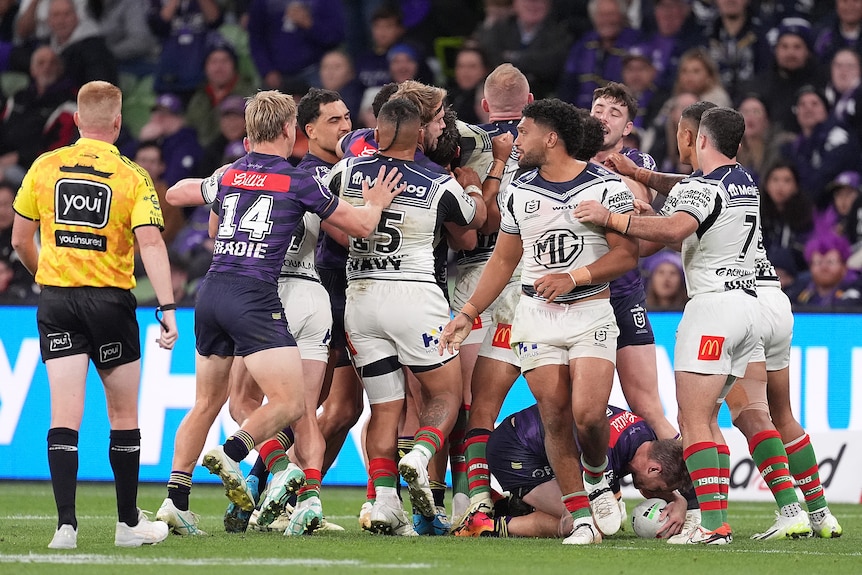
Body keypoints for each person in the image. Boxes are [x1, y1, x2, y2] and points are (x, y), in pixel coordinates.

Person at [153, 89, 405, 536]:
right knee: (294, 404)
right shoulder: (300, 179)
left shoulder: (231, 173)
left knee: (208, 402)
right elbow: (362, 227)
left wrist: (217, 190)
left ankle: (176, 501)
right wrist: (378, 201)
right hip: (262, 295)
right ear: (292, 130)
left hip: (211, 291)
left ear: (250, 133)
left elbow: (176, 194)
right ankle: (234, 453)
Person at [440, 98, 639, 545]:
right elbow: (503, 260)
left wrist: (575, 276)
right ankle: (582, 517)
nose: (517, 141)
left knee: (588, 416)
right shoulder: (518, 191)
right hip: (535, 316)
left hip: (590, 312)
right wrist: (467, 314)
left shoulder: (607, 188)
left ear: (551, 138)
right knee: (555, 415)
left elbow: (628, 255)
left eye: (525, 132)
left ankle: (595, 474)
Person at [576, 106, 761, 544]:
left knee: (693, 420)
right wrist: (642, 187)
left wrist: (612, 218)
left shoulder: (702, 185)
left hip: (712, 309)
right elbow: (689, 189)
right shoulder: (743, 180)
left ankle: (711, 524)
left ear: (699, 140)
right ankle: (707, 519)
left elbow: (676, 229)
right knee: (710, 421)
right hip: (749, 308)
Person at [10, 80, 176, 549]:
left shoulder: (45, 166)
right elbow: (150, 243)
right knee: (123, 414)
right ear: (119, 123)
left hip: (58, 301)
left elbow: (20, 239)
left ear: (78, 120)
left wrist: (46, 275)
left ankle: (65, 527)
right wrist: (167, 307)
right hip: (109, 303)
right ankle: (127, 524)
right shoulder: (132, 175)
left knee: (65, 414)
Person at [328, 96, 486, 537]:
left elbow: (327, 220)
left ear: (376, 132)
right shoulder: (437, 180)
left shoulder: (344, 173)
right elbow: (475, 226)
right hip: (415, 296)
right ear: (420, 134)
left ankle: (383, 502)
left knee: (384, 406)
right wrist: (473, 185)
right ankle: (419, 456)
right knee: (446, 394)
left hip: (360, 297)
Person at [451, 63, 532, 525]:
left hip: (470, 282)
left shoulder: (466, 143)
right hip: (529, 278)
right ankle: (593, 497)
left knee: (468, 403)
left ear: (484, 105)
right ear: (530, 101)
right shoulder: (543, 140)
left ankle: (468, 499)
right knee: (560, 400)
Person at [589, 82, 679, 442]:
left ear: (627, 128)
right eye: (598, 110)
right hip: (579, 296)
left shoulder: (638, 163)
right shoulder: (568, 160)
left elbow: (640, 218)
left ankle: (688, 492)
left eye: (615, 113)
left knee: (646, 404)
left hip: (624, 294)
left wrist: (616, 177)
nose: (604, 118)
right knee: (583, 409)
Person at [457, 405, 690, 538]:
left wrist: (678, 500)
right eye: (659, 489)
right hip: (516, 450)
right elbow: (576, 485)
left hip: (540, 443)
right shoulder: (606, 452)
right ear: (653, 468)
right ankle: (487, 525)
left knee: (606, 512)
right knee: (586, 522)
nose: (653, 494)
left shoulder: (646, 438)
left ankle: (508, 505)